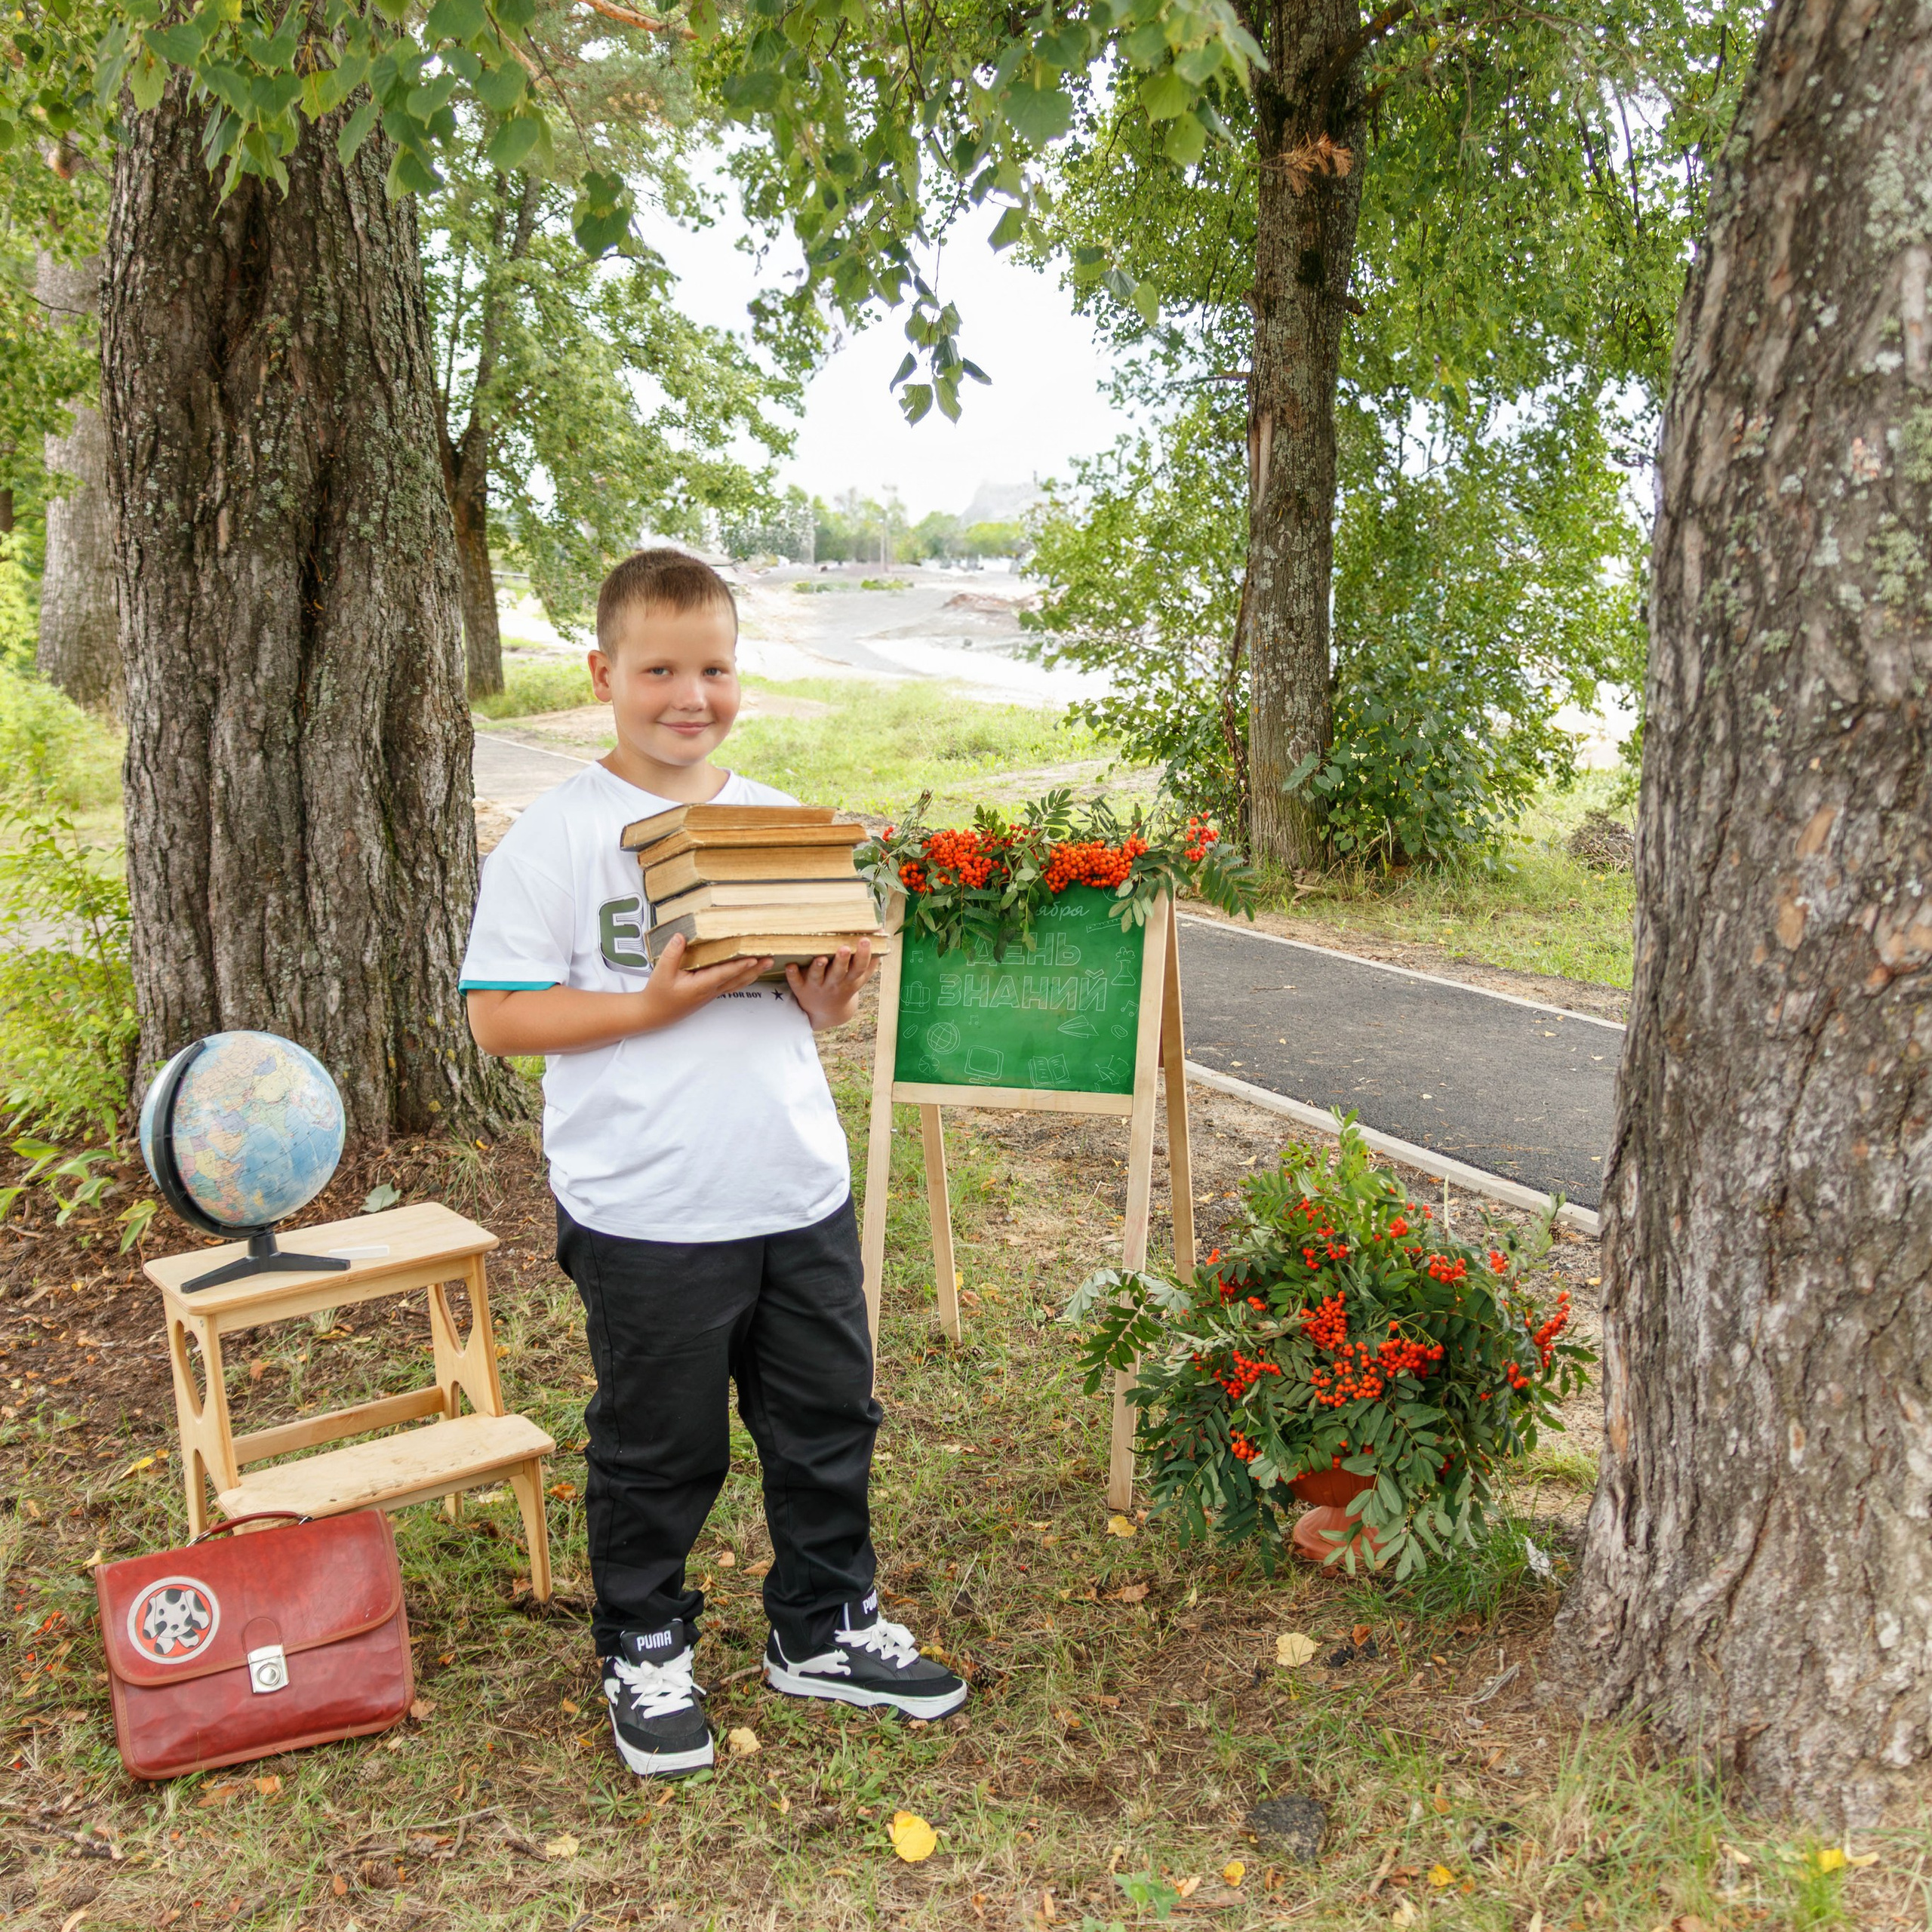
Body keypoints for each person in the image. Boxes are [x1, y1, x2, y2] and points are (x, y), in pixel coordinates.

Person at [460, 548, 965, 1777]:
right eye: (661, 670)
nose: (691, 695)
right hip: (648, 1205)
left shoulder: (776, 822)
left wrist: (830, 997)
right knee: (660, 1441)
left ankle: (825, 1625)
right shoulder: (559, 837)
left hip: (794, 1187)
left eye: (717, 669)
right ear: (604, 674)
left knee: (824, 1421)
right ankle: (643, 1645)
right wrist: (649, 1006)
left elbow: (803, 1008)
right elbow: (500, 1018)